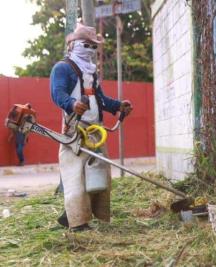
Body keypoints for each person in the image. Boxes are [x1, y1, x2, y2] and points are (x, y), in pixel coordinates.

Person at [50, 23, 133, 231]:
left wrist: (116, 106)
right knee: (76, 175)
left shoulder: (91, 72)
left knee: (99, 172)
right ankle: (78, 222)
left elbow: (100, 98)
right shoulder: (62, 68)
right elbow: (57, 93)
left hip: (96, 129)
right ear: (73, 45)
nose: (91, 50)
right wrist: (71, 104)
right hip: (75, 129)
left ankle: (84, 214)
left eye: (94, 46)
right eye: (86, 45)